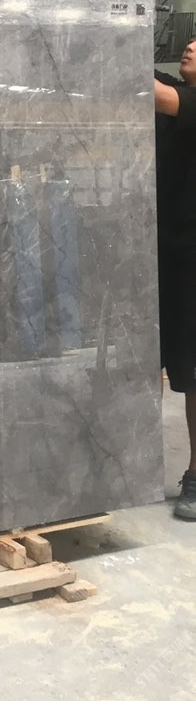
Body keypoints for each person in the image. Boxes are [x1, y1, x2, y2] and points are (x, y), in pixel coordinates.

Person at [155, 37, 196, 518]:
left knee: (194, 377)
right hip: (164, 258)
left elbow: (148, 90)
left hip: (192, 265)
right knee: (156, 366)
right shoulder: (176, 93)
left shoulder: (180, 101)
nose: (189, 44)